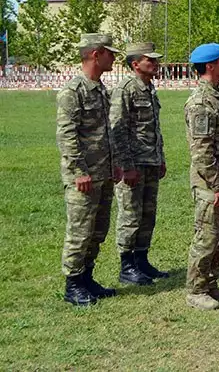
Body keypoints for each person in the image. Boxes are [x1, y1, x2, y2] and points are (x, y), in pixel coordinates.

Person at [57, 33, 122, 306]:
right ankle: (73, 284)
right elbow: (67, 135)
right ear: (96, 54)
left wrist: (114, 164)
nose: (114, 57)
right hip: (84, 176)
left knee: (98, 230)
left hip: (103, 172)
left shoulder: (100, 89)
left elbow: (107, 132)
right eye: (110, 52)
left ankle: (87, 277)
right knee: (80, 231)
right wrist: (78, 171)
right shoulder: (73, 91)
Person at [184, 43, 219, 311]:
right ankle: (195, 289)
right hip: (211, 182)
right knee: (206, 237)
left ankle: (210, 284)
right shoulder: (201, 102)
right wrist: (218, 185)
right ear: (209, 66)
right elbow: (202, 153)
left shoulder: (217, 96)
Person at [110, 42, 168, 287]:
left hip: (150, 161)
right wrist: (126, 165)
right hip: (133, 163)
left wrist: (160, 157)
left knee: (147, 214)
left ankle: (142, 260)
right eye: (150, 60)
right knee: (130, 215)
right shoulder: (125, 89)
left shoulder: (149, 88)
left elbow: (153, 129)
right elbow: (117, 129)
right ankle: (127, 266)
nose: (155, 64)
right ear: (135, 64)